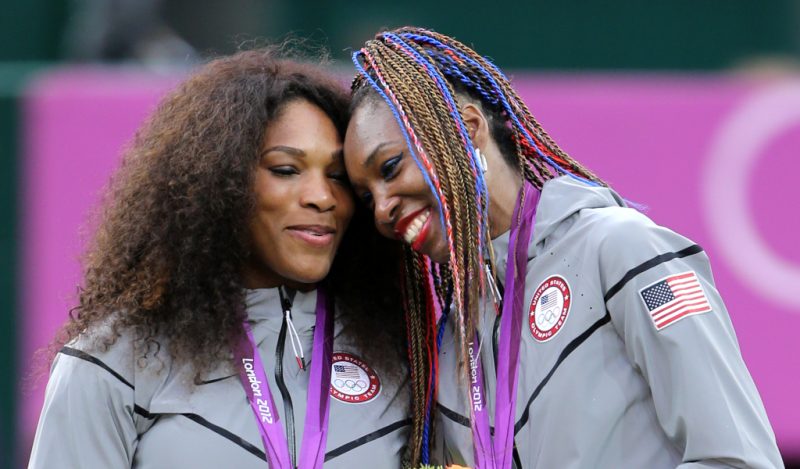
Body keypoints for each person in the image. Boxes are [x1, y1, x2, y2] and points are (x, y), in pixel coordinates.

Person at [343, 27, 784, 468]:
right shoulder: (455, 343)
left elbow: (739, 459)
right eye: (367, 197)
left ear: (470, 129)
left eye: (390, 167)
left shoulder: (621, 249)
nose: (382, 209)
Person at [28, 47, 409, 468]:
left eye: (337, 176)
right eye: (285, 170)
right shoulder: (113, 362)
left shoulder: (402, 349)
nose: (322, 197)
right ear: (219, 184)